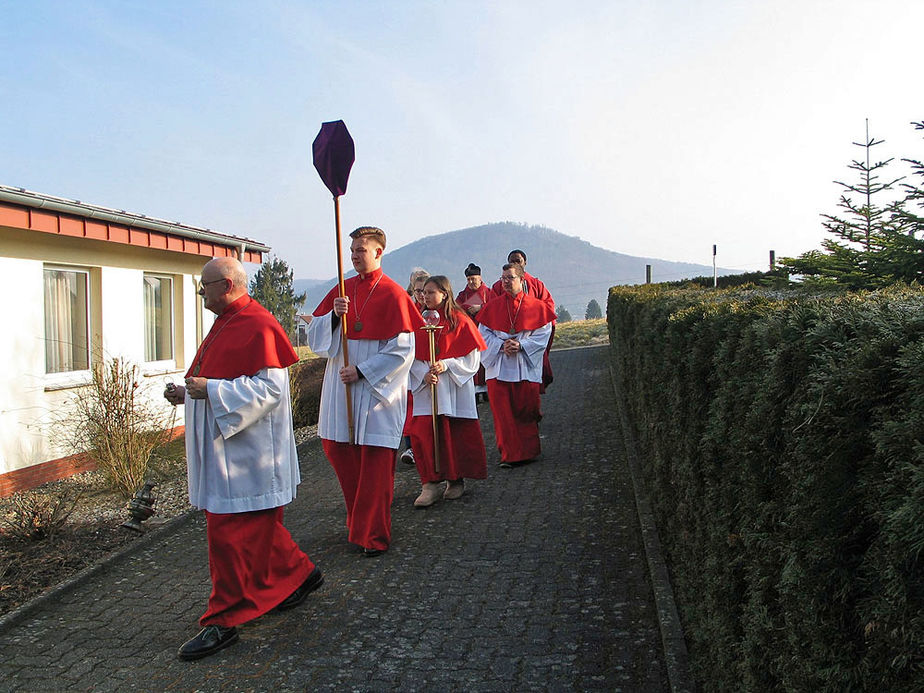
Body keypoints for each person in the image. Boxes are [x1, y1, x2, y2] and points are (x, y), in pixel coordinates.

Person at [163, 256, 321, 662]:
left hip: (248, 456)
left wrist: (210, 390)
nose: (201, 292)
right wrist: (188, 393)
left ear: (228, 284)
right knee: (259, 530)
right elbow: (220, 380)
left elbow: (270, 391)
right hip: (228, 450)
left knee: (230, 535)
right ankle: (300, 576)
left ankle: (224, 619)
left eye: (205, 285)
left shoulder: (258, 323)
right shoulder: (226, 322)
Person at [307, 226, 424, 556]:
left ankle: (373, 534)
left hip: (374, 393)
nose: (356, 255)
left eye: (361, 249)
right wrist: (333, 315)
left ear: (378, 252)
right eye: (353, 250)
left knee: (374, 463)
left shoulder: (393, 295)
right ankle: (358, 522)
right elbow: (316, 337)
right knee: (338, 450)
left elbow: (403, 350)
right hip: (340, 386)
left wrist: (362, 371)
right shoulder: (341, 291)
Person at [408, 275, 487, 507]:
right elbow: (408, 354)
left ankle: (455, 480)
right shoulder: (416, 321)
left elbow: (472, 357)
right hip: (426, 388)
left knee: (453, 434)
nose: (426, 296)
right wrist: (422, 373)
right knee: (423, 434)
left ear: (445, 293)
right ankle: (429, 484)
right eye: (423, 292)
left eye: (431, 292)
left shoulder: (459, 320)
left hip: (452, 387)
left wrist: (447, 364)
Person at [478, 262, 556, 468]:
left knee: (526, 409)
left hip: (524, 366)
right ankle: (510, 455)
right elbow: (483, 335)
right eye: (503, 278)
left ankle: (528, 451)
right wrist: (502, 345)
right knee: (503, 414)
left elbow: (543, 334)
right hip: (499, 367)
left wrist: (521, 345)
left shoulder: (537, 307)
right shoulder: (491, 308)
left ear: (522, 280)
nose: (505, 282)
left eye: (510, 278)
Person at [490, 249, 556, 392]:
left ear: (525, 263)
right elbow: (490, 312)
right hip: (504, 341)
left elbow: (548, 308)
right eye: (511, 261)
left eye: (517, 261)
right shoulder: (497, 287)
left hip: (530, 338)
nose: (514, 263)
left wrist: (535, 314)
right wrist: (502, 344)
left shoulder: (537, 284)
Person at [400, 268, 430, 464]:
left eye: (424, 291)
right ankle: (410, 447)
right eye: (417, 291)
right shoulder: (408, 308)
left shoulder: (432, 311)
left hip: (429, 365)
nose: (420, 295)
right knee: (409, 410)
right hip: (410, 367)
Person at [455, 263, 492, 401]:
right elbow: (456, 308)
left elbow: (494, 306)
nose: (471, 282)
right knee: (472, 362)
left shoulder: (488, 292)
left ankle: (486, 389)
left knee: (485, 361)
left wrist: (481, 307)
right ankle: (475, 390)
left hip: (486, 333)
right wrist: (468, 307)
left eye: (473, 279)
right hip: (469, 333)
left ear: (480, 277)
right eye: (468, 280)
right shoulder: (463, 295)